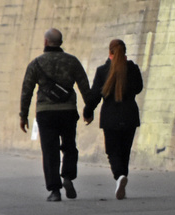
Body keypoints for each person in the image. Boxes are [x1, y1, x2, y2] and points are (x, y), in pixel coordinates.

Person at [19, 28, 90, 202]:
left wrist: (23, 115)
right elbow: (85, 87)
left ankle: (55, 190)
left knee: (50, 151)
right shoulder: (72, 62)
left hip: (46, 113)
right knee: (69, 146)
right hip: (68, 111)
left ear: (45, 42)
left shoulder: (36, 64)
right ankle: (67, 176)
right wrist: (89, 110)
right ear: (61, 42)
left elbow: (26, 91)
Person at [83, 39, 143, 200]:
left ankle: (119, 176)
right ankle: (122, 176)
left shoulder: (103, 70)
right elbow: (139, 88)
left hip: (110, 116)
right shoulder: (133, 68)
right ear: (125, 52)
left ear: (110, 52)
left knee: (112, 151)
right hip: (130, 114)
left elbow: (95, 95)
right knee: (125, 151)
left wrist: (87, 112)